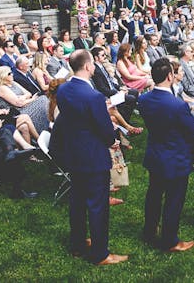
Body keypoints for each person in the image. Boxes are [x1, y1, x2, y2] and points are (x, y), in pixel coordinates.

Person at [52, 50, 127, 265]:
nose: (94, 66)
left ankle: (77, 244)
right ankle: (100, 253)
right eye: (93, 63)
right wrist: (110, 137)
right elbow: (105, 130)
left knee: (77, 201)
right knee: (97, 205)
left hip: (73, 152)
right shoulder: (93, 96)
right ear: (87, 66)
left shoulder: (64, 88)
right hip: (92, 155)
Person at [138, 58, 194, 252]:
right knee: (174, 199)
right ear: (170, 76)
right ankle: (170, 240)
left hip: (155, 153)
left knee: (154, 194)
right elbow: (191, 132)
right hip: (174, 157)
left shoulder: (144, 99)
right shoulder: (177, 105)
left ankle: (149, 230)